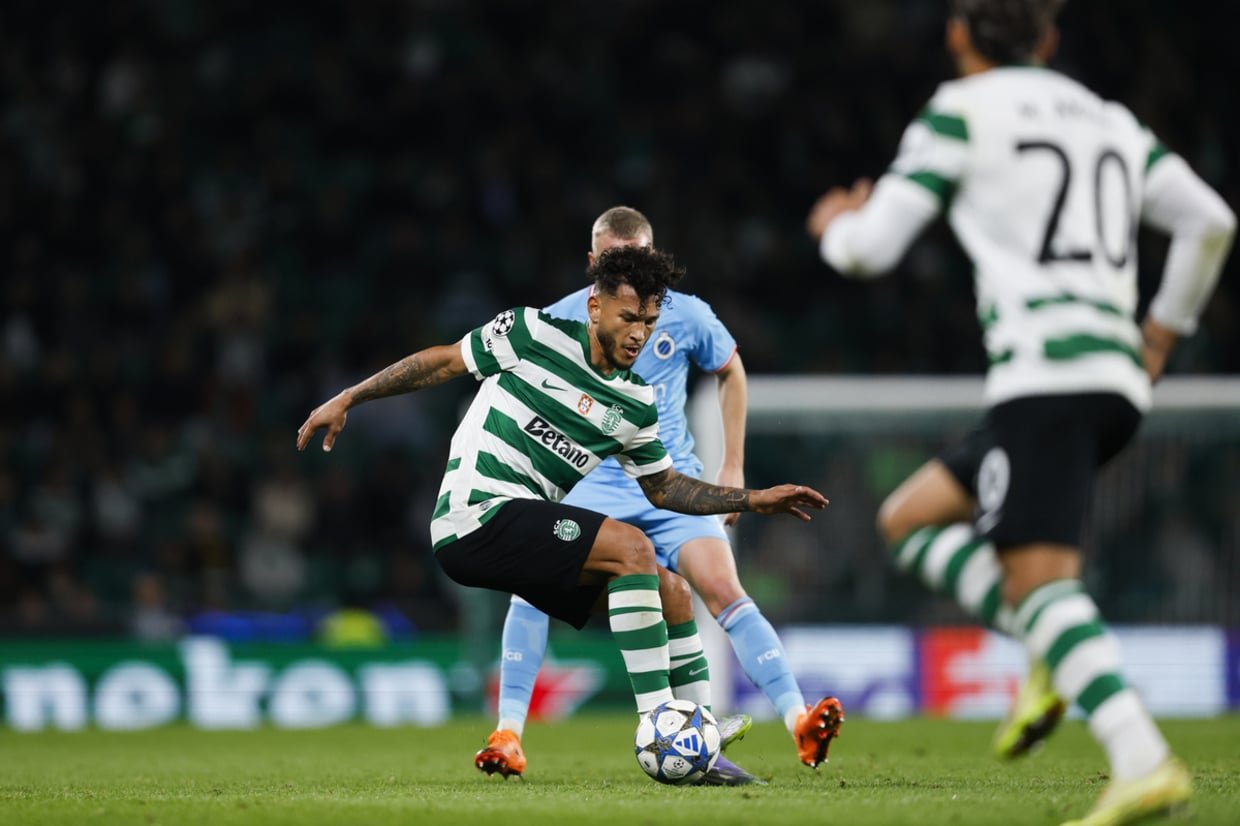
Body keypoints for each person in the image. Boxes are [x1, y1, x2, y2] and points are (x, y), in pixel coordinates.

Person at [805, 1, 1234, 824]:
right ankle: (1052, 649)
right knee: (909, 519)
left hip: (1045, 383)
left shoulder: (960, 113)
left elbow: (868, 251)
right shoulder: (1109, 119)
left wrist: (836, 227)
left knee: (1041, 585)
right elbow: (1210, 221)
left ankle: (1141, 758)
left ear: (958, 35)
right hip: (1112, 383)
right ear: (1049, 39)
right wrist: (1161, 334)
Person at [296, 244, 829, 780]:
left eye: (648, 321)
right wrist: (350, 397)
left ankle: (701, 751)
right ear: (595, 307)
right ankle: (659, 724)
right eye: (628, 318)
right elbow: (443, 361)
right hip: (473, 514)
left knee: (673, 593)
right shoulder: (532, 333)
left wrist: (751, 498)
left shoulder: (634, 404)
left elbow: (665, 489)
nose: (639, 334)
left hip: (517, 531)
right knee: (633, 548)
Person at [476, 207, 845, 786]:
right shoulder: (560, 319)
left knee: (722, 590)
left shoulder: (687, 314)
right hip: (591, 487)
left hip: (672, 485)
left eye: (641, 261)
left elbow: (731, 371)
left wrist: (733, 464)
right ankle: (508, 733)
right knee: (533, 590)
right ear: (593, 265)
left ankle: (797, 719)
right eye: (616, 261)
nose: (631, 274)